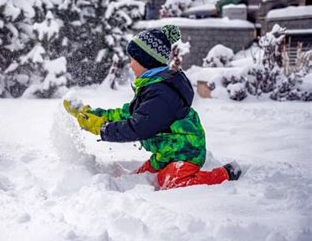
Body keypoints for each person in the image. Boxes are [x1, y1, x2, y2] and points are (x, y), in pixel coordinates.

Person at [63, 25, 241, 190]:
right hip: (165, 154)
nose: (130, 64)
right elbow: (126, 114)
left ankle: (225, 174)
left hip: (185, 153)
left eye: (133, 59)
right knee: (139, 177)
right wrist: (91, 114)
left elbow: (137, 128)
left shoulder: (161, 94)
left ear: (146, 61)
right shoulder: (152, 87)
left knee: (172, 182)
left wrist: (101, 128)